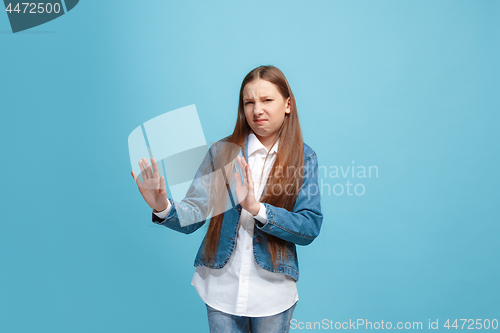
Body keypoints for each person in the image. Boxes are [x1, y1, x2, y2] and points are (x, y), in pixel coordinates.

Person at [131, 65, 323, 333]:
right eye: (249, 102)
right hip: (221, 287)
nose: (257, 110)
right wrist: (162, 206)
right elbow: (193, 215)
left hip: (272, 293)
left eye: (267, 100)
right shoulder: (222, 152)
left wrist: (257, 209)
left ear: (287, 104)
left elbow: (309, 227)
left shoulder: (304, 158)